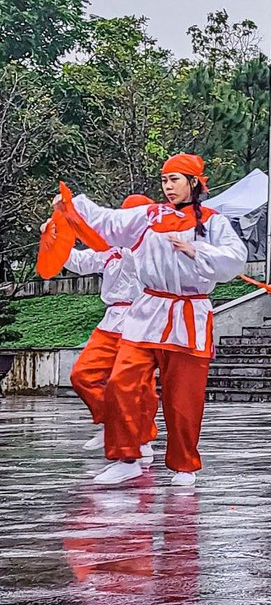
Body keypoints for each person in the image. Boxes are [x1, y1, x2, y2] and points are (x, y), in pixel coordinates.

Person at [68, 154, 248, 487]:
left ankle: (184, 466)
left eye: (175, 180)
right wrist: (72, 205)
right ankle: (128, 455)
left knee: (182, 399)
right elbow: (107, 222)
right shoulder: (147, 216)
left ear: (193, 183)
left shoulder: (212, 222)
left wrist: (197, 251)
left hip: (188, 314)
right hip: (148, 310)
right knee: (122, 382)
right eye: (164, 180)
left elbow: (236, 259)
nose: (168, 187)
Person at [63, 194, 157, 457]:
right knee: (82, 375)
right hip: (111, 321)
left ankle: (143, 437)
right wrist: (54, 241)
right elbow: (80, 263)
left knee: (142, 386)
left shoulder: (152, 249)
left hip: (142, 320)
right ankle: (110, 422)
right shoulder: (109, 249)